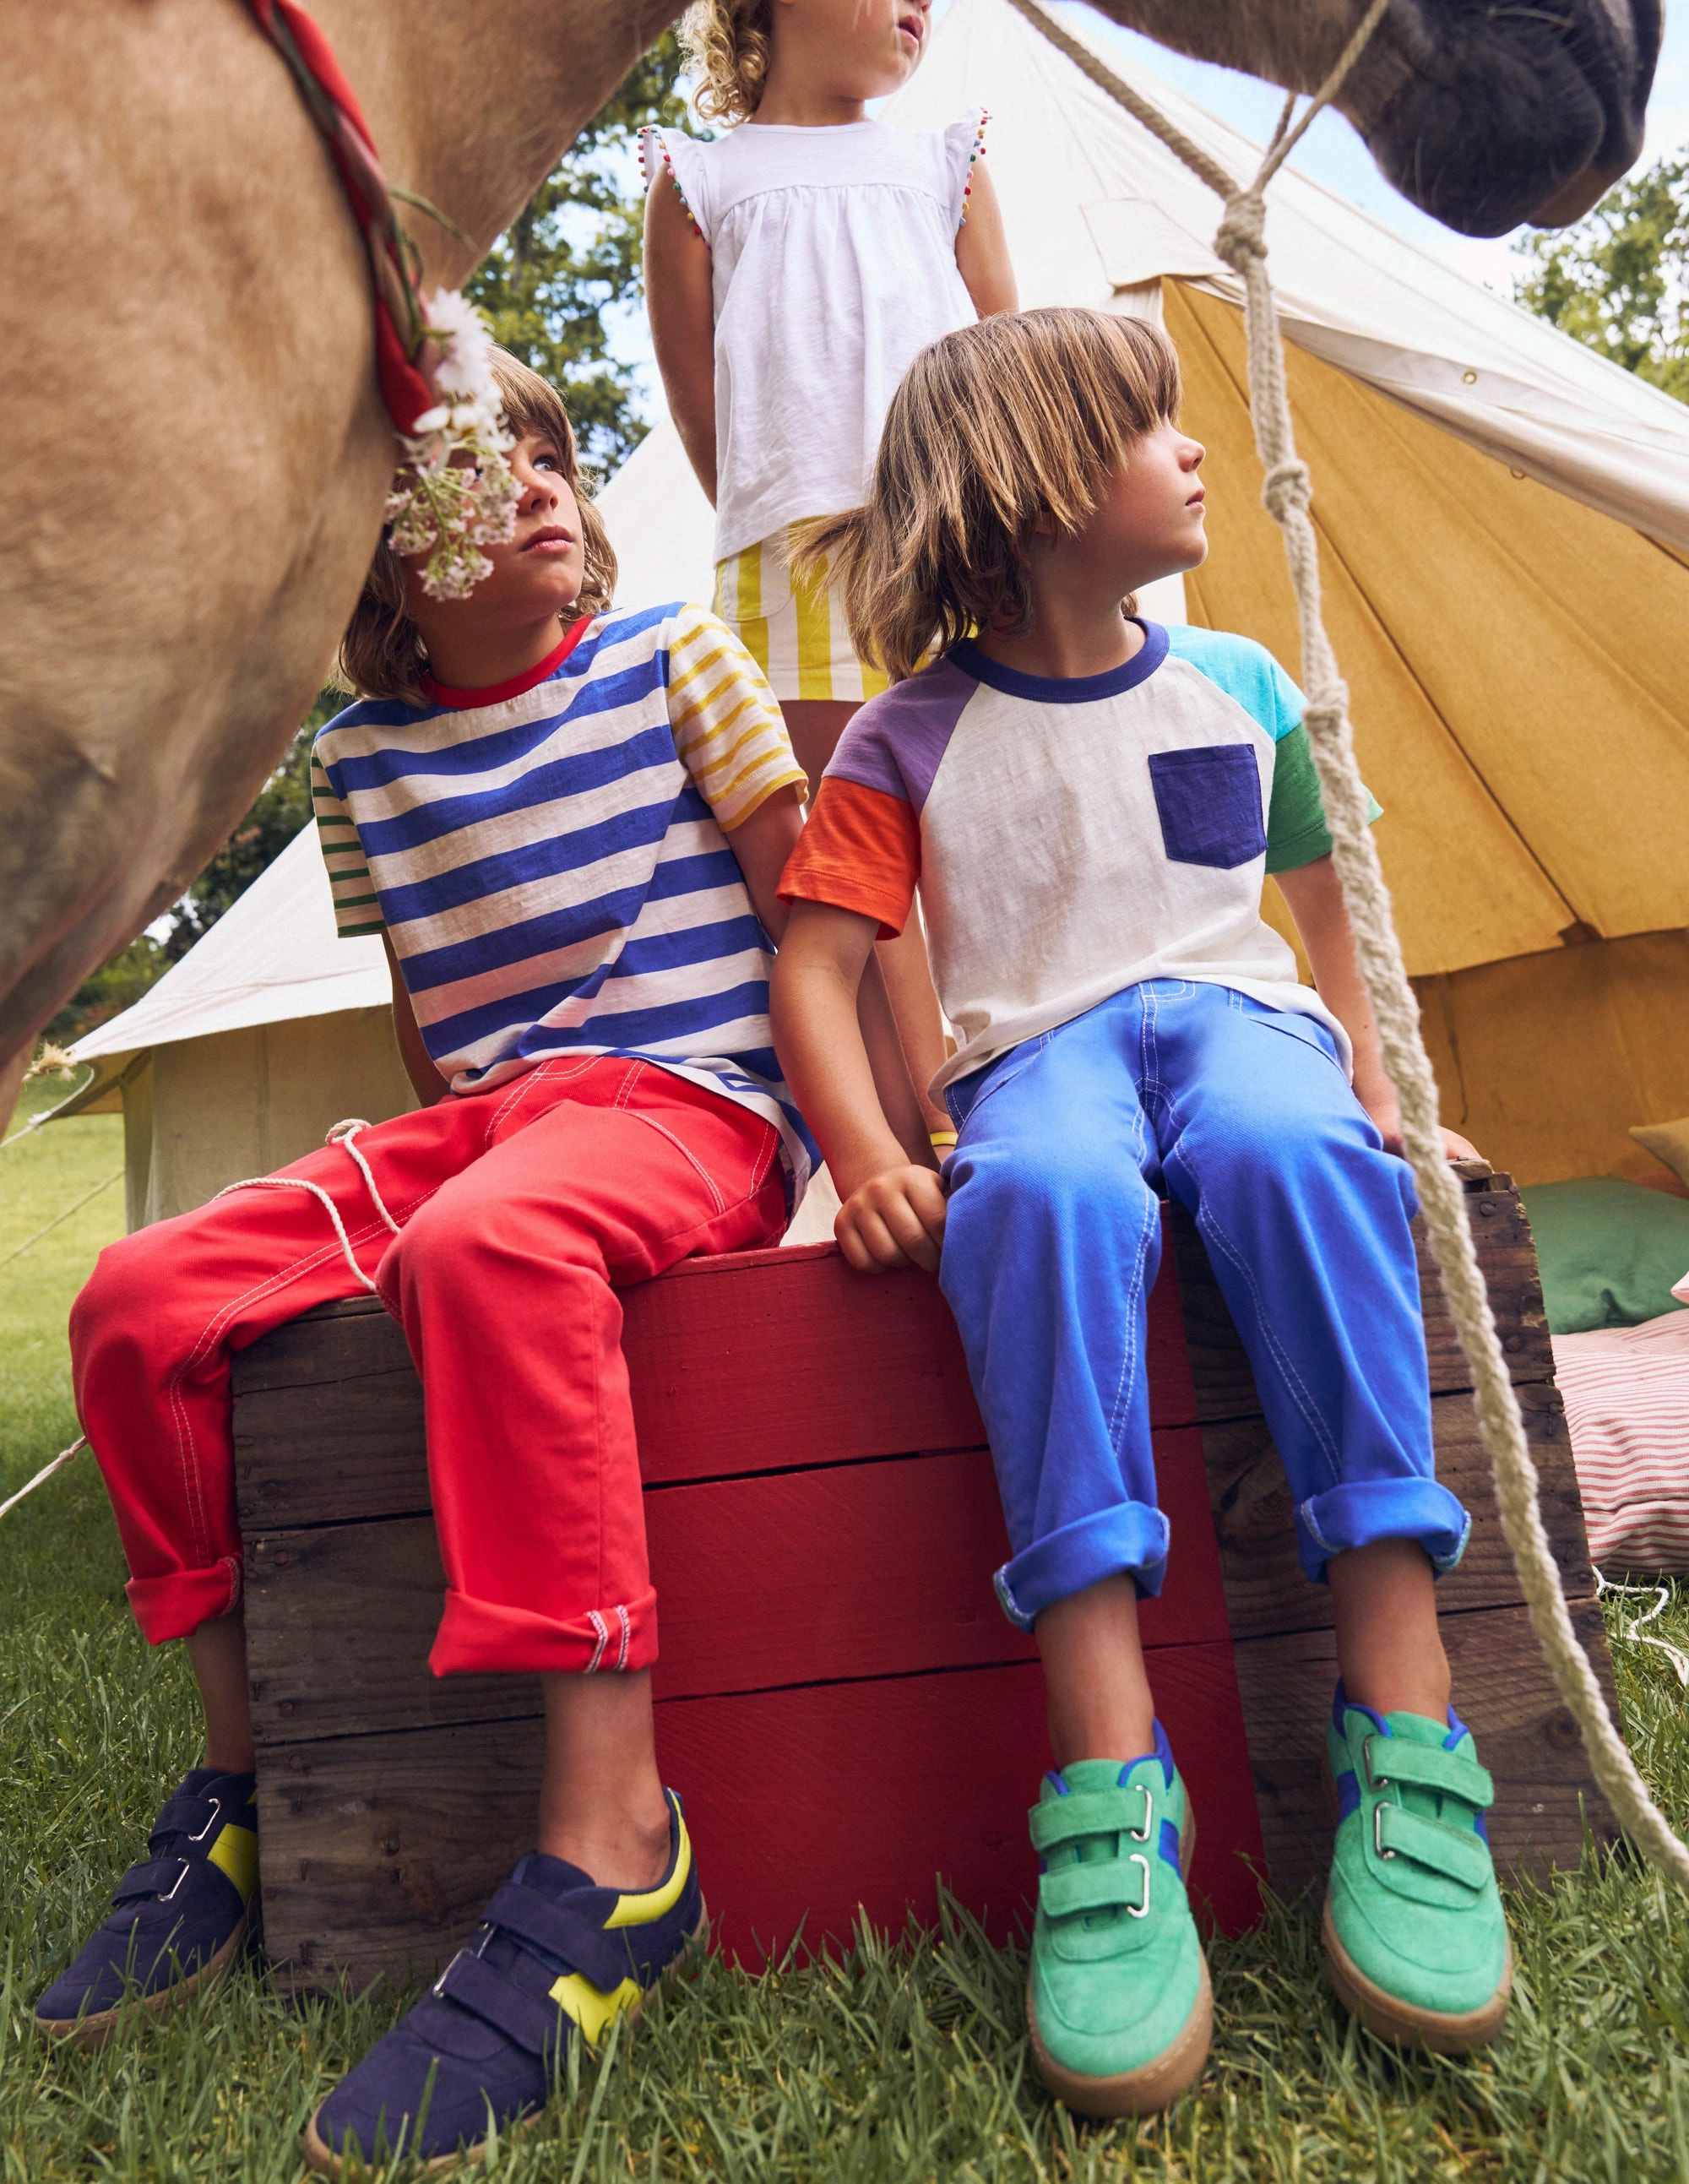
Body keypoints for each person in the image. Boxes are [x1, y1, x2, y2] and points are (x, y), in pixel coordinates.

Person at [36, 351, 924, 2173]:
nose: (537, 483)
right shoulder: (359, 766)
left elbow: (812, 918)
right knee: (136, 1303)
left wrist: (887, 1156)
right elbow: (436, 1024)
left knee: (492, 1241)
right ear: (379, 553)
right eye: (475, 463)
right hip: (490, 1128)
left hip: (685, 1106)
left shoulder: (670, 657)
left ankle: (614, 1849)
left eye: (552, 452)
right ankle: (248, 1779)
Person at [770, 307, 1512, 2119]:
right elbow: (816, 966)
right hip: (1038, 1059)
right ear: (1034, 482)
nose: (1193, 458)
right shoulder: (903, 735)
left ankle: (1401, 1716)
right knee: (1033, 1198)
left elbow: (1321, 909)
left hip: (1237, 1023)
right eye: (1151, 430)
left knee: (1296, 1158)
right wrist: (869, 1146)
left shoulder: (1243, 682)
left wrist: (1377, 1074)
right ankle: (1110, 1762)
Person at [642, 0, 1018, 1138]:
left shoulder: (945, 163)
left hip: (954, 542)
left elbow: (1017, 375)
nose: (921, 6)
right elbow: (708, 426)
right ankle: (917, 1142)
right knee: (846, 857)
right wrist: (794, 521)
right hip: (790, 555)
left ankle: (1014, 1104)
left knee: (981, 834)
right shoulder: (701, 183)